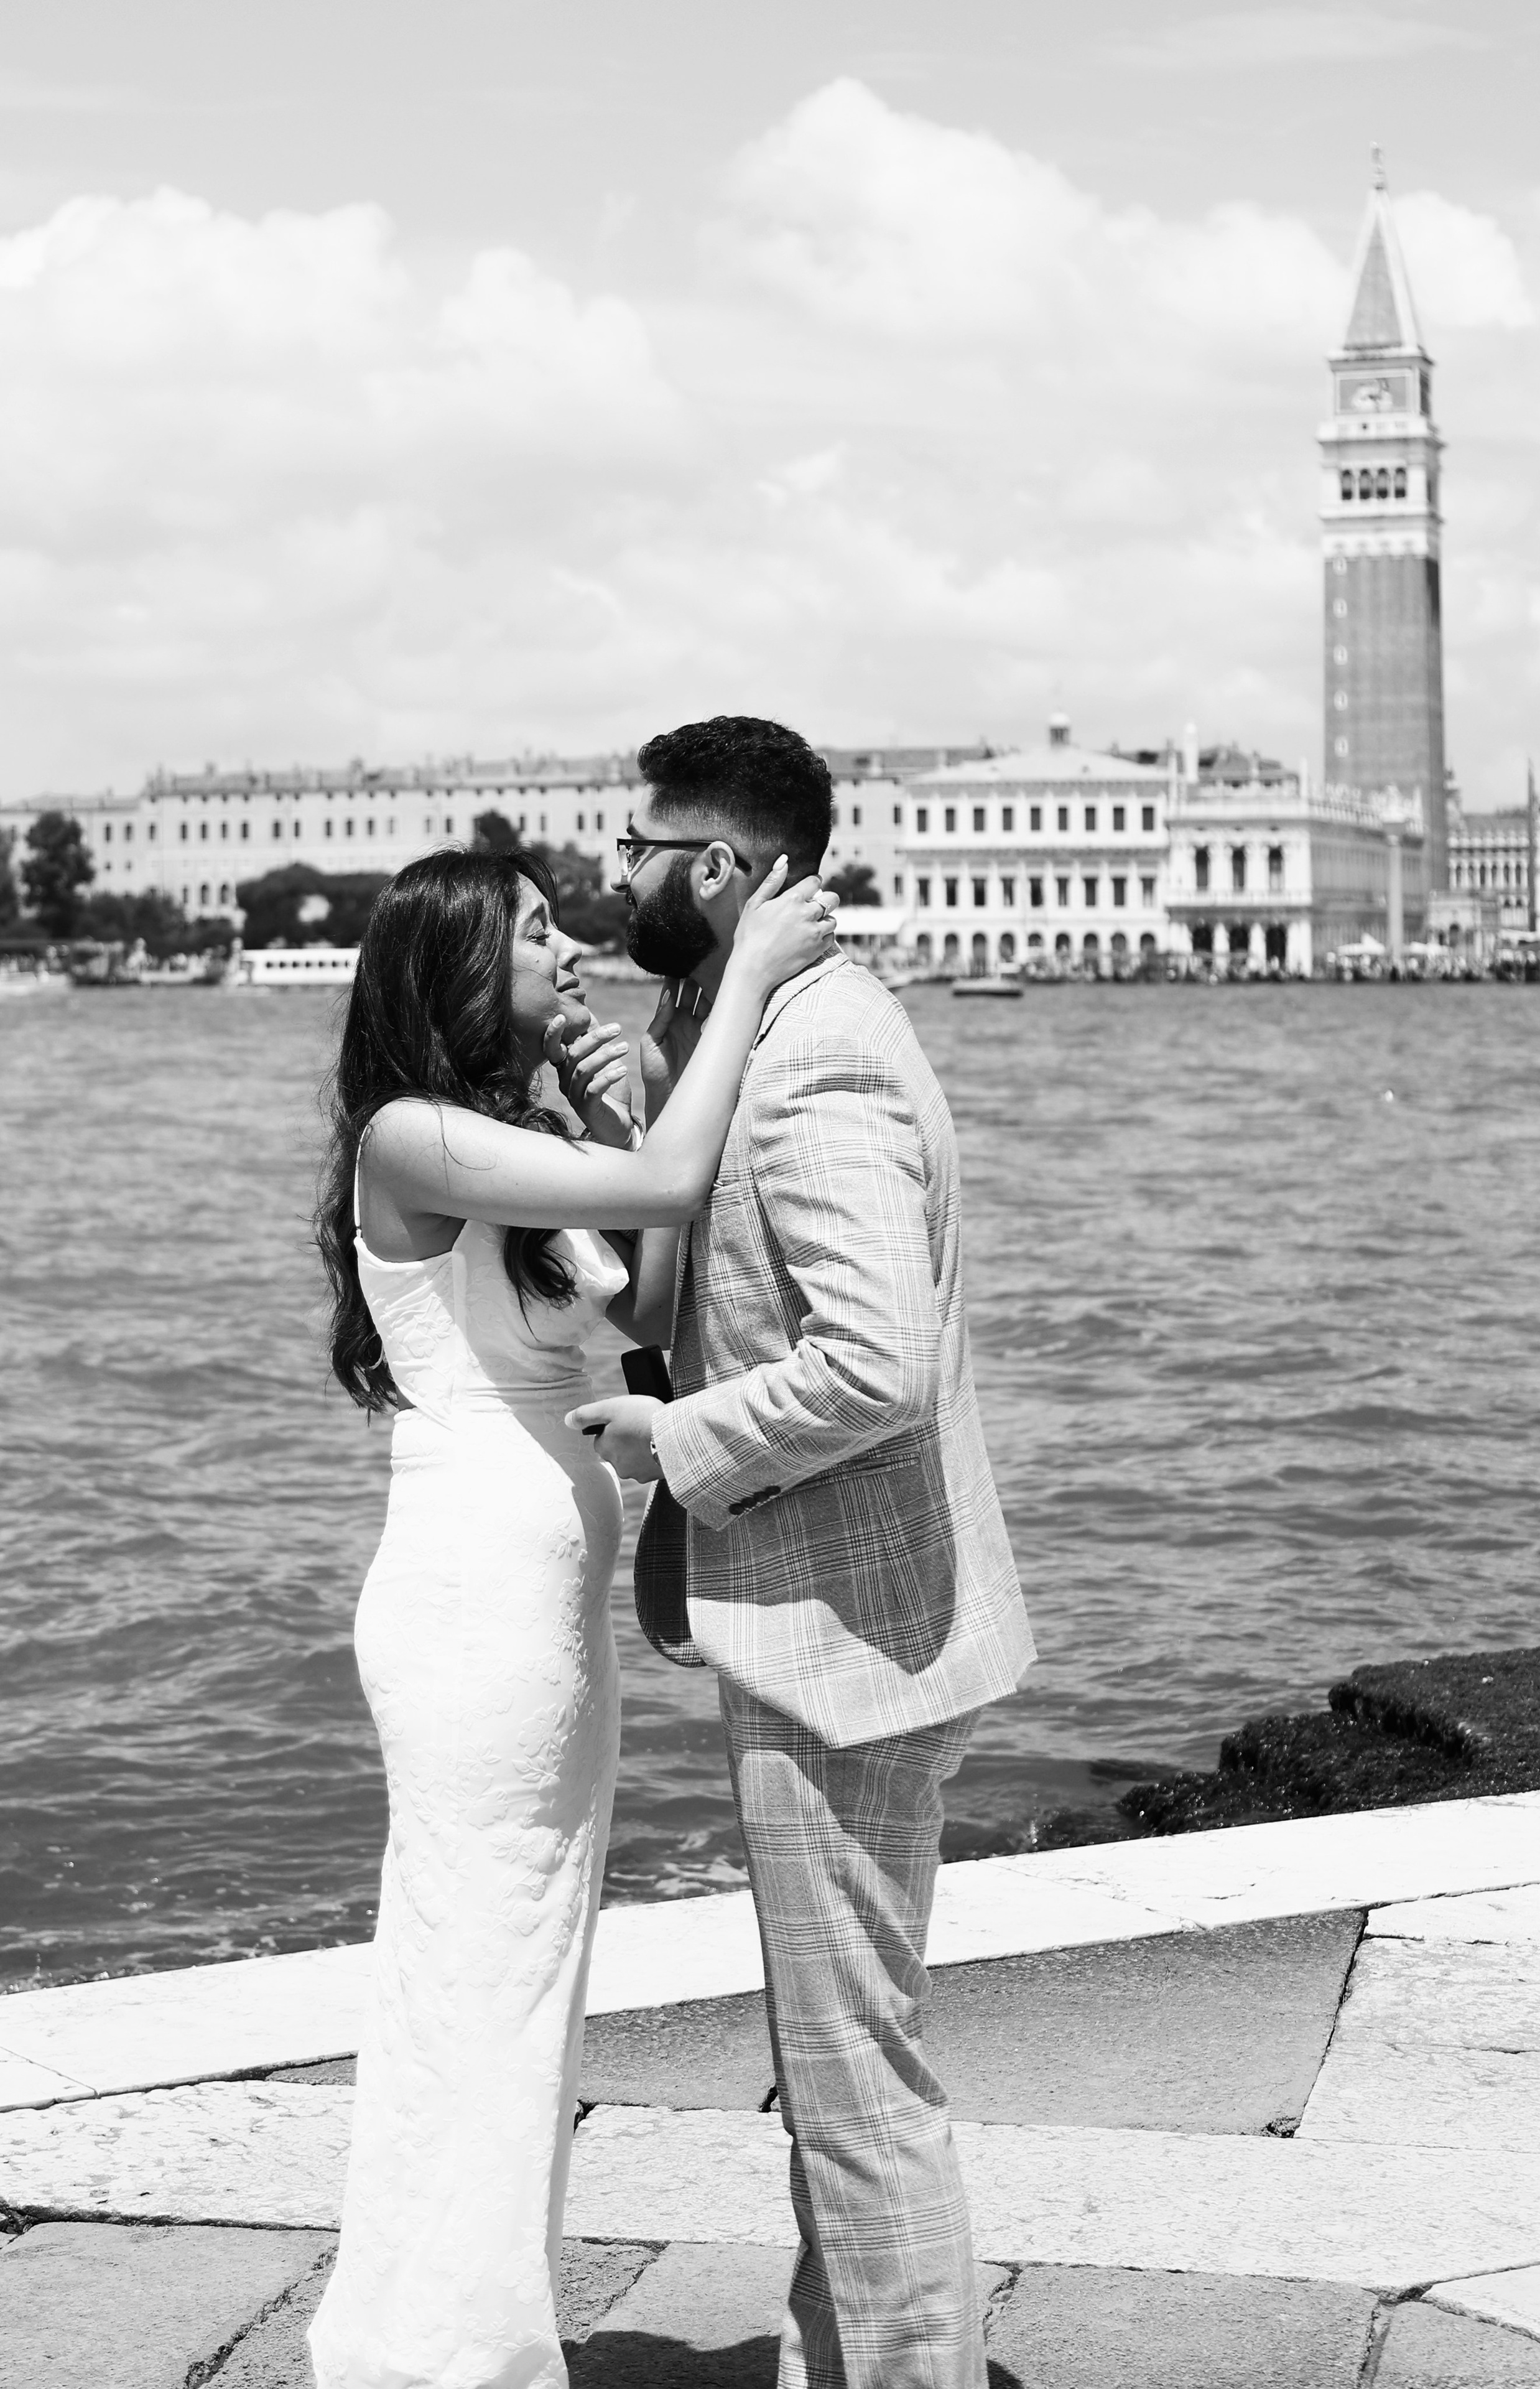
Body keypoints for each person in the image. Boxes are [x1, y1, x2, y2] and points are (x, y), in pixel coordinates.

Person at [307, 841, 838, 2389]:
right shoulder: (408, 1137)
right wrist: (741, 976)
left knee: (521, 1977)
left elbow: (654, 1307)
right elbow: (679, 1179)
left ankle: (461, 2335)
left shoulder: (507, 1136)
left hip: (543, 1619)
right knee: (478, 1976)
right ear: (460, 966)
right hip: (474, 1610)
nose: (571, 955)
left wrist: (616, 1102)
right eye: (539, 934)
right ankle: (444, 2359)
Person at [570, 717, 1036, 2389]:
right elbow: (682, 1223)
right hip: (853, 1605)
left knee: (850, 2072)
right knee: (842, 2047)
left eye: (648, 842)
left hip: (847, 1630)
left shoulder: (816, 1054)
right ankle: (844, 2359)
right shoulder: (744, 1022)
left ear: (733, 866)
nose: (623, 867)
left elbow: (872, 1362)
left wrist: (677, 1441)